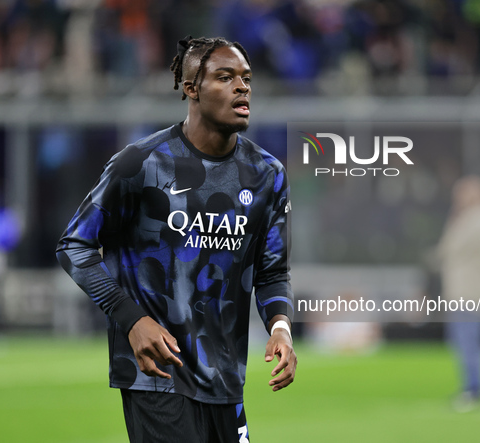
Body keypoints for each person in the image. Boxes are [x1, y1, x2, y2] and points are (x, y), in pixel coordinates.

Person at [56, 36, 296, 443]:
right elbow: (75, 245)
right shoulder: (142, 163)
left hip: (225, 376)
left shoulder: (266, 175)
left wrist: (281, 327)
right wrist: (131, 319)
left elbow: (272, 269)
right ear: (192, 89)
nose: (242, 87)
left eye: (246, 78)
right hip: (157, 374)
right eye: (225, 77)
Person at [436, 175, 480, 412]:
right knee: (467, 340)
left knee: (468, 340)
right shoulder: (477, 218)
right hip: (464, 288)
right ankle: (473, 386)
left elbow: (449, 249)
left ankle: (473, 388)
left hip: (470, 289)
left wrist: (457, 217)